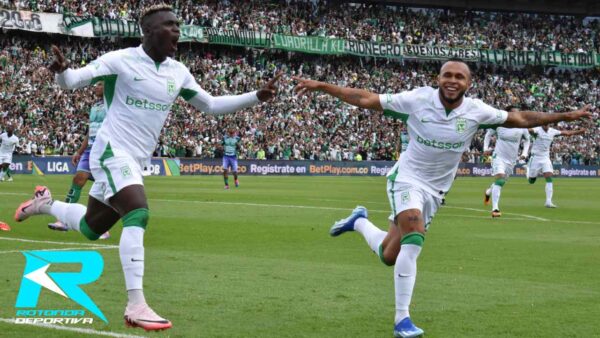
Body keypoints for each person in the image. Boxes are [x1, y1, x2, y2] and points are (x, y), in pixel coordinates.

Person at [14, 4, 280, 331]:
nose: (177, 32)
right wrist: (60, 71)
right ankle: (136, 304)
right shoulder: (121, 60)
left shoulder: (177, 71)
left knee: (90, 228)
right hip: (112, 151)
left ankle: (46, 205)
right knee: (137, 211)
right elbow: (72, 81)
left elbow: (209, 105)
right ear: (149, 31)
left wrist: (256, 96)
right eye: (170, 25)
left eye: (178, 26)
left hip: (136, 161)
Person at [293, 59, 592, 338]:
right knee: (414, 233)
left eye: (459, 77)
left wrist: (564, 116)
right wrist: (322, 86)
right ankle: (402, 320)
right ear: (438, 79)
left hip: (436, 190)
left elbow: (519, 118)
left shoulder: (476, 110)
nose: (452, 81)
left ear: (468, 83)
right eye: (447, 75)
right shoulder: (417, 100)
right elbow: (366, 99)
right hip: (407, 178)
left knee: (389, 255)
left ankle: (359, 222)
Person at [47, 83, 110, 240]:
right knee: (78, 179)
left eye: (100, 85)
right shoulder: (95, 106)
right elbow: (91, 130)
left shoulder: (113, 103)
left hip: (105, 149)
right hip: (90, 149)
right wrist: (79, 151)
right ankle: (64, 220)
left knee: (106, 188)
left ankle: (102, 227)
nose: (95, 87)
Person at [483, 106, 531, 217]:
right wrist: (485, 148)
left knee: (501, 182)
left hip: (512, 160)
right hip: (498, 156)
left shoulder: (522, 126)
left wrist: (524, 154)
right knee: (500, 180)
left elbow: (527, 140)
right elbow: (488, 134)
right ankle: (495, 209)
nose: (517, 115)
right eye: (515, 113)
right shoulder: (500, 123)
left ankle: (488, 192)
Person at [527, 125, 585, 208]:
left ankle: (548, 201)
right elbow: (529, 130)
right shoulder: (537, 130)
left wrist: (579, 132)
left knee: (549, 177)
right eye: (544, 123)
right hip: (535, 157)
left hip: (545, 157)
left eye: (548, 123)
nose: (546, 125)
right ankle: (529, 172)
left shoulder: (552, 131)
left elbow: (567, 133)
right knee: (531, 181)